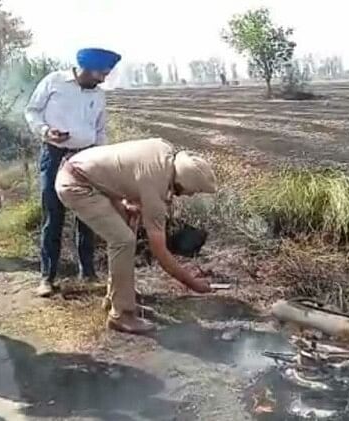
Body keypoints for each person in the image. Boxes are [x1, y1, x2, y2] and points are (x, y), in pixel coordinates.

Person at [55, 138, 216, 334]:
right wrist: (193, 284)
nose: (190, 196)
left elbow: (129, 171)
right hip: (77, 185)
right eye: (192, 191)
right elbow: (160, 252)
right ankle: (121, 315)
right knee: (123, 240)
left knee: (125, 234)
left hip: (86, 175)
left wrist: (129, 201)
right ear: (183, 182)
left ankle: (117, 299)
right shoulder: (156, 187)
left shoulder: (163, 151)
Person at [24, 47, 121, 297]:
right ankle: (47, 277)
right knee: (52, 216)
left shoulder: (98, 95)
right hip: (55, 155)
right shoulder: (54, 81)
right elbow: (31, 111)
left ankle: (87, 273)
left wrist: (102, 159)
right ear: (86, 68)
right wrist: (46, 131)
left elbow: (100, 130)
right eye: (102, 73)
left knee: (87, 215)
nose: (103, 79)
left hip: (86, 157)